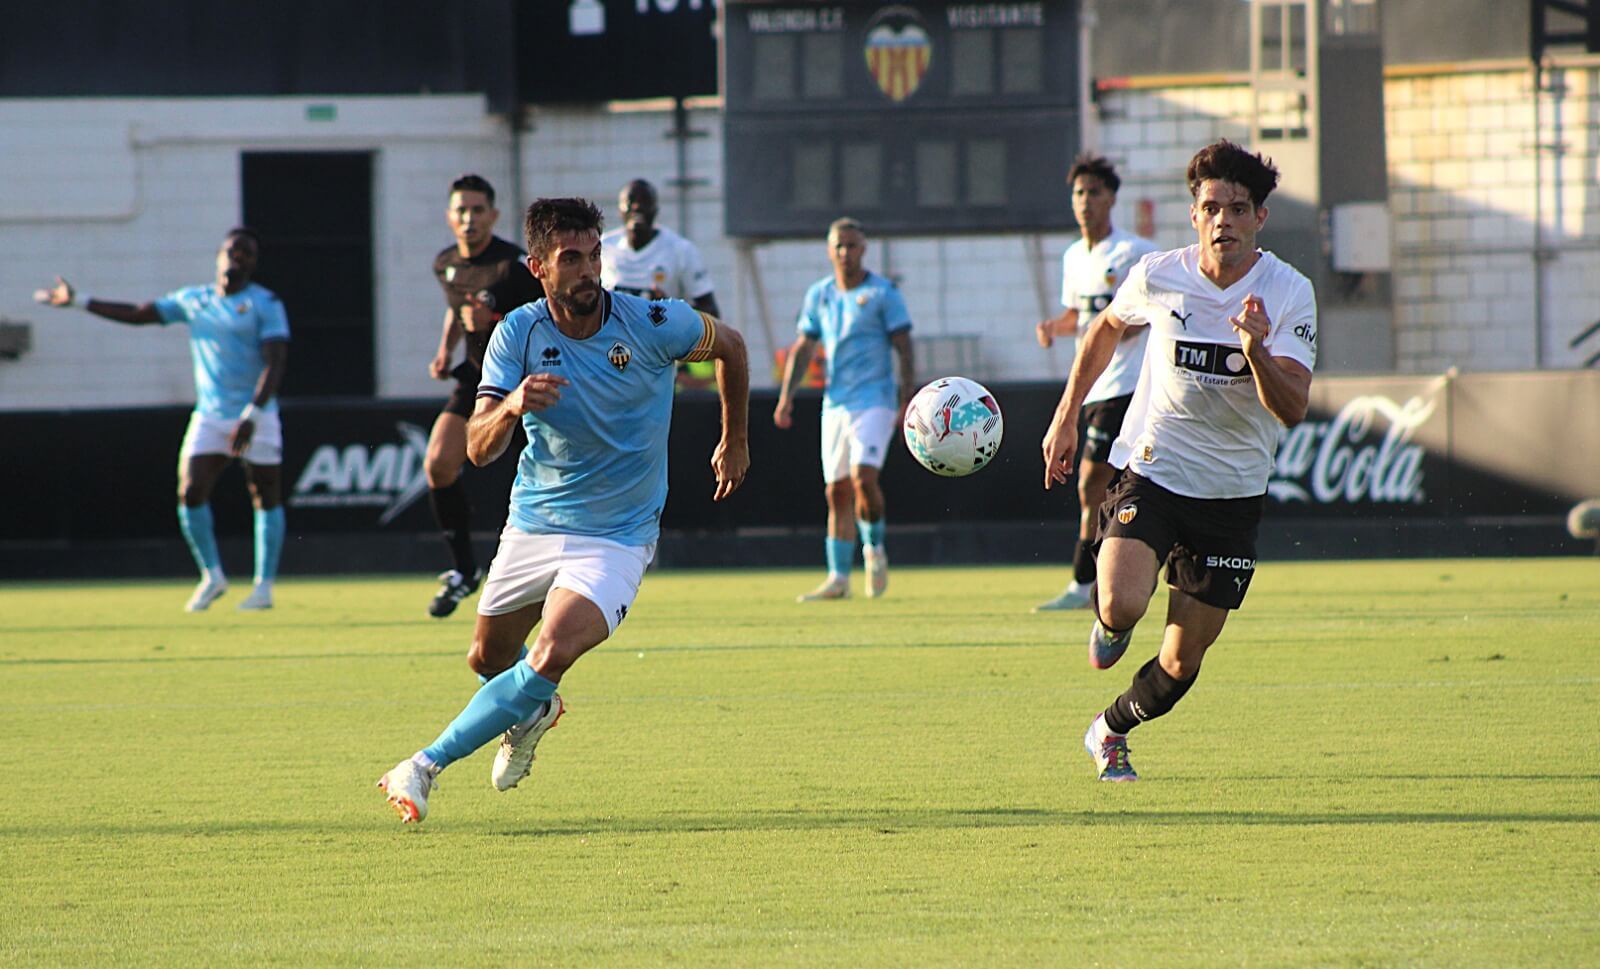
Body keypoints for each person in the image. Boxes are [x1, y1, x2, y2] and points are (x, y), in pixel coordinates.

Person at [377, 197, 749, 823]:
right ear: (538, 268)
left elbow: (731, 347)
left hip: (618, 535)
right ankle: (536, 709)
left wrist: (734, 438)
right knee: (487, 659)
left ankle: (423, 765)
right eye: (571, 259)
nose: (588, 270)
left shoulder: (654, 322)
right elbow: (477, 446)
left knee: (550, 650)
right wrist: (513, 405)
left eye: (594, 255)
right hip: (536, 519)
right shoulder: (518, 334)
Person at [1040, 140, 1317, 782]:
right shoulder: (1159, 273)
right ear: (1194, 216)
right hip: (1154, 469)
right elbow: (1106, 327)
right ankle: (1109, 624)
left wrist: (1254, 350)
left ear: (1259, 220)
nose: (1225, 221)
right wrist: (1064, 417)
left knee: (1180, 662)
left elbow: (1294, 406)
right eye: (1212, 208)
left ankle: (1109, 730)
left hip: (1232, 494)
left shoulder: (1289, 292)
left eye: (1239, 209)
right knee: (1120, 600)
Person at [34, 229, 290, 612]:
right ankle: (212, 576)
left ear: (254, 263)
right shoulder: (194, 300)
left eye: (248, 254)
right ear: (219, 256)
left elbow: (276, 362)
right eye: (233, 250)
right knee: (190, 491)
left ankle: (263, 587)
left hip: (256, 413)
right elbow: (140, 313)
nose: (239, 257)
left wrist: (252, 414)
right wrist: (79, 302)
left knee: (265, 494)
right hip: (210, 414)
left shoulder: (265, 304)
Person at [1034, 155, 1159, 612]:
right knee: (1109, 487)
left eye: (1095, 193)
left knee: (1091, 482)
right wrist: (1055, 326)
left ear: (1112, 199)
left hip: (1125, 384)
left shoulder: (1132, 252)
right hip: (1093, 389)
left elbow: (1141, 317)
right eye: (1079, 193)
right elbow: (1080, 315)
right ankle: (1114, 577)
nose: (1085, 202)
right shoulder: (1073, 256)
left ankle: (1084, 582)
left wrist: (1107, 331)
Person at [425, 174, 546, 619]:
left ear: (493, 215)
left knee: (535, 479)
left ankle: (549, 566)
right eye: (461, 210)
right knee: (438, 463)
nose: (469, 218)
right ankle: (462, 571)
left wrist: (492, 316)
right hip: (477, 379)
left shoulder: (514, 265)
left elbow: (541, 318)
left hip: (522, 383)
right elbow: (458, 309)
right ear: (450, 217)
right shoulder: (445, 263)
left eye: (477, 210)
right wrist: (444, 350)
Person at [774, 217, 915, 601]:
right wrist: (787, 396)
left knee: (862, 479)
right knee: (836, 491)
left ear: (863, 249)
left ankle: (874, 550)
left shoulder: (883, 293)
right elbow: (804, 346)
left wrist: (908, 398)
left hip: (876, 401)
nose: (845, 253)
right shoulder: (820, 294)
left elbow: (903, 344)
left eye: (852, 246)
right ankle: (838, 578)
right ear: (829, 250)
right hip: (835, 402)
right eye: (838, 246)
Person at [599, 178, 722, 393]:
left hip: (656, 361)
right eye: (630, 201)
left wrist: (668, 312)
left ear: (655, 209)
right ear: (619, 209)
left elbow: (711, 313)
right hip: (609, 360)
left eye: (644, 202)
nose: (636, 207)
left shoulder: (680, 250)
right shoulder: (603, 248)